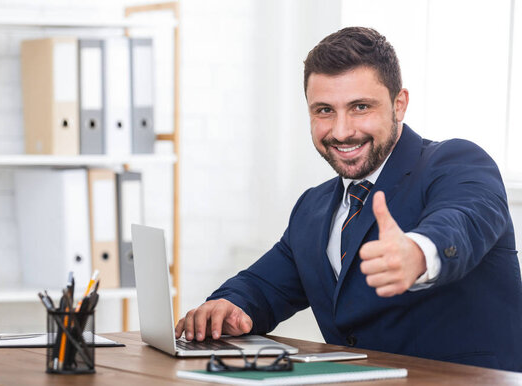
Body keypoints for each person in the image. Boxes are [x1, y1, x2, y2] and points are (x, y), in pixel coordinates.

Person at [175, 27, 522, 371]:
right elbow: (262, 286)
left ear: (398, 105)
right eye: (324, 110)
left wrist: (418, 252)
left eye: (360, 107)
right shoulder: (313, 208)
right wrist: (227, 306)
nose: (341, 131)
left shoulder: (457, 162)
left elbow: (463, 220)